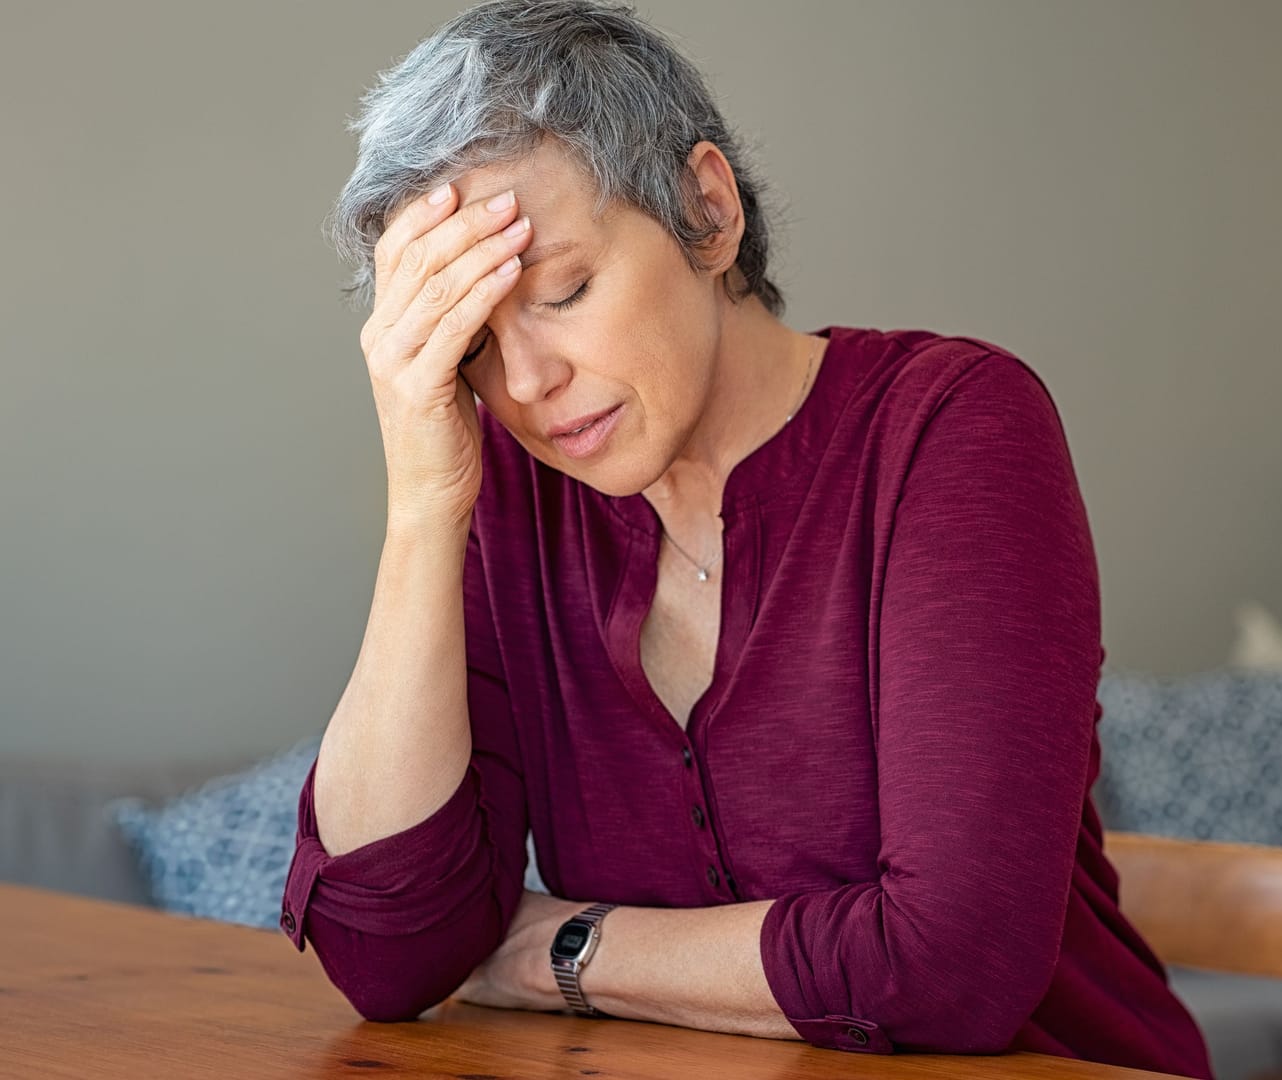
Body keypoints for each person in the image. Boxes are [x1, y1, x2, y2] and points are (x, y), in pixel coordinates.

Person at [279, 2, 1213, 1076]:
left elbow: (953, 963)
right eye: (470, 349)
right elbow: (387, 959)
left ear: (706, 210)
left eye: (564, 292)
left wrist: (556, 948)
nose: (527, 386)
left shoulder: (952, 431)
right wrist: (421, 509)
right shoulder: (511, 496)